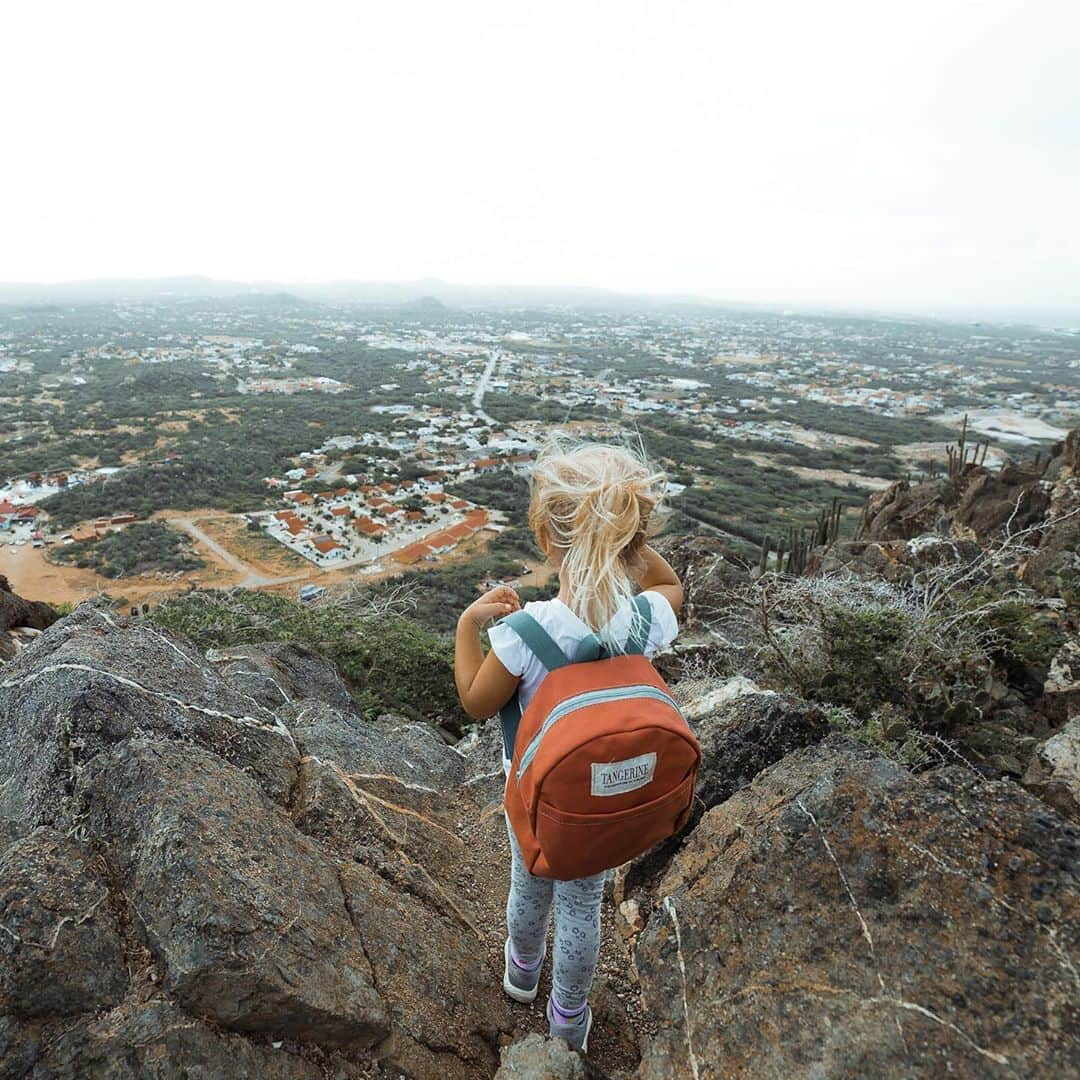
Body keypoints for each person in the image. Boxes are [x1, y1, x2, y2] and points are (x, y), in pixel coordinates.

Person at [454, 439, 683, 1052]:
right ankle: (568, 1019)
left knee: (529, 882)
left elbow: (475, 701)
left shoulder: (523, 633)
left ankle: (521, 974)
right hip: (607, 795)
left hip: (535, 797)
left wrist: (466, 625)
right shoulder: (642, 619)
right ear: (631, 536)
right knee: (584, 905)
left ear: (542, 534)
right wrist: (624, 544)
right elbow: (671, 585)